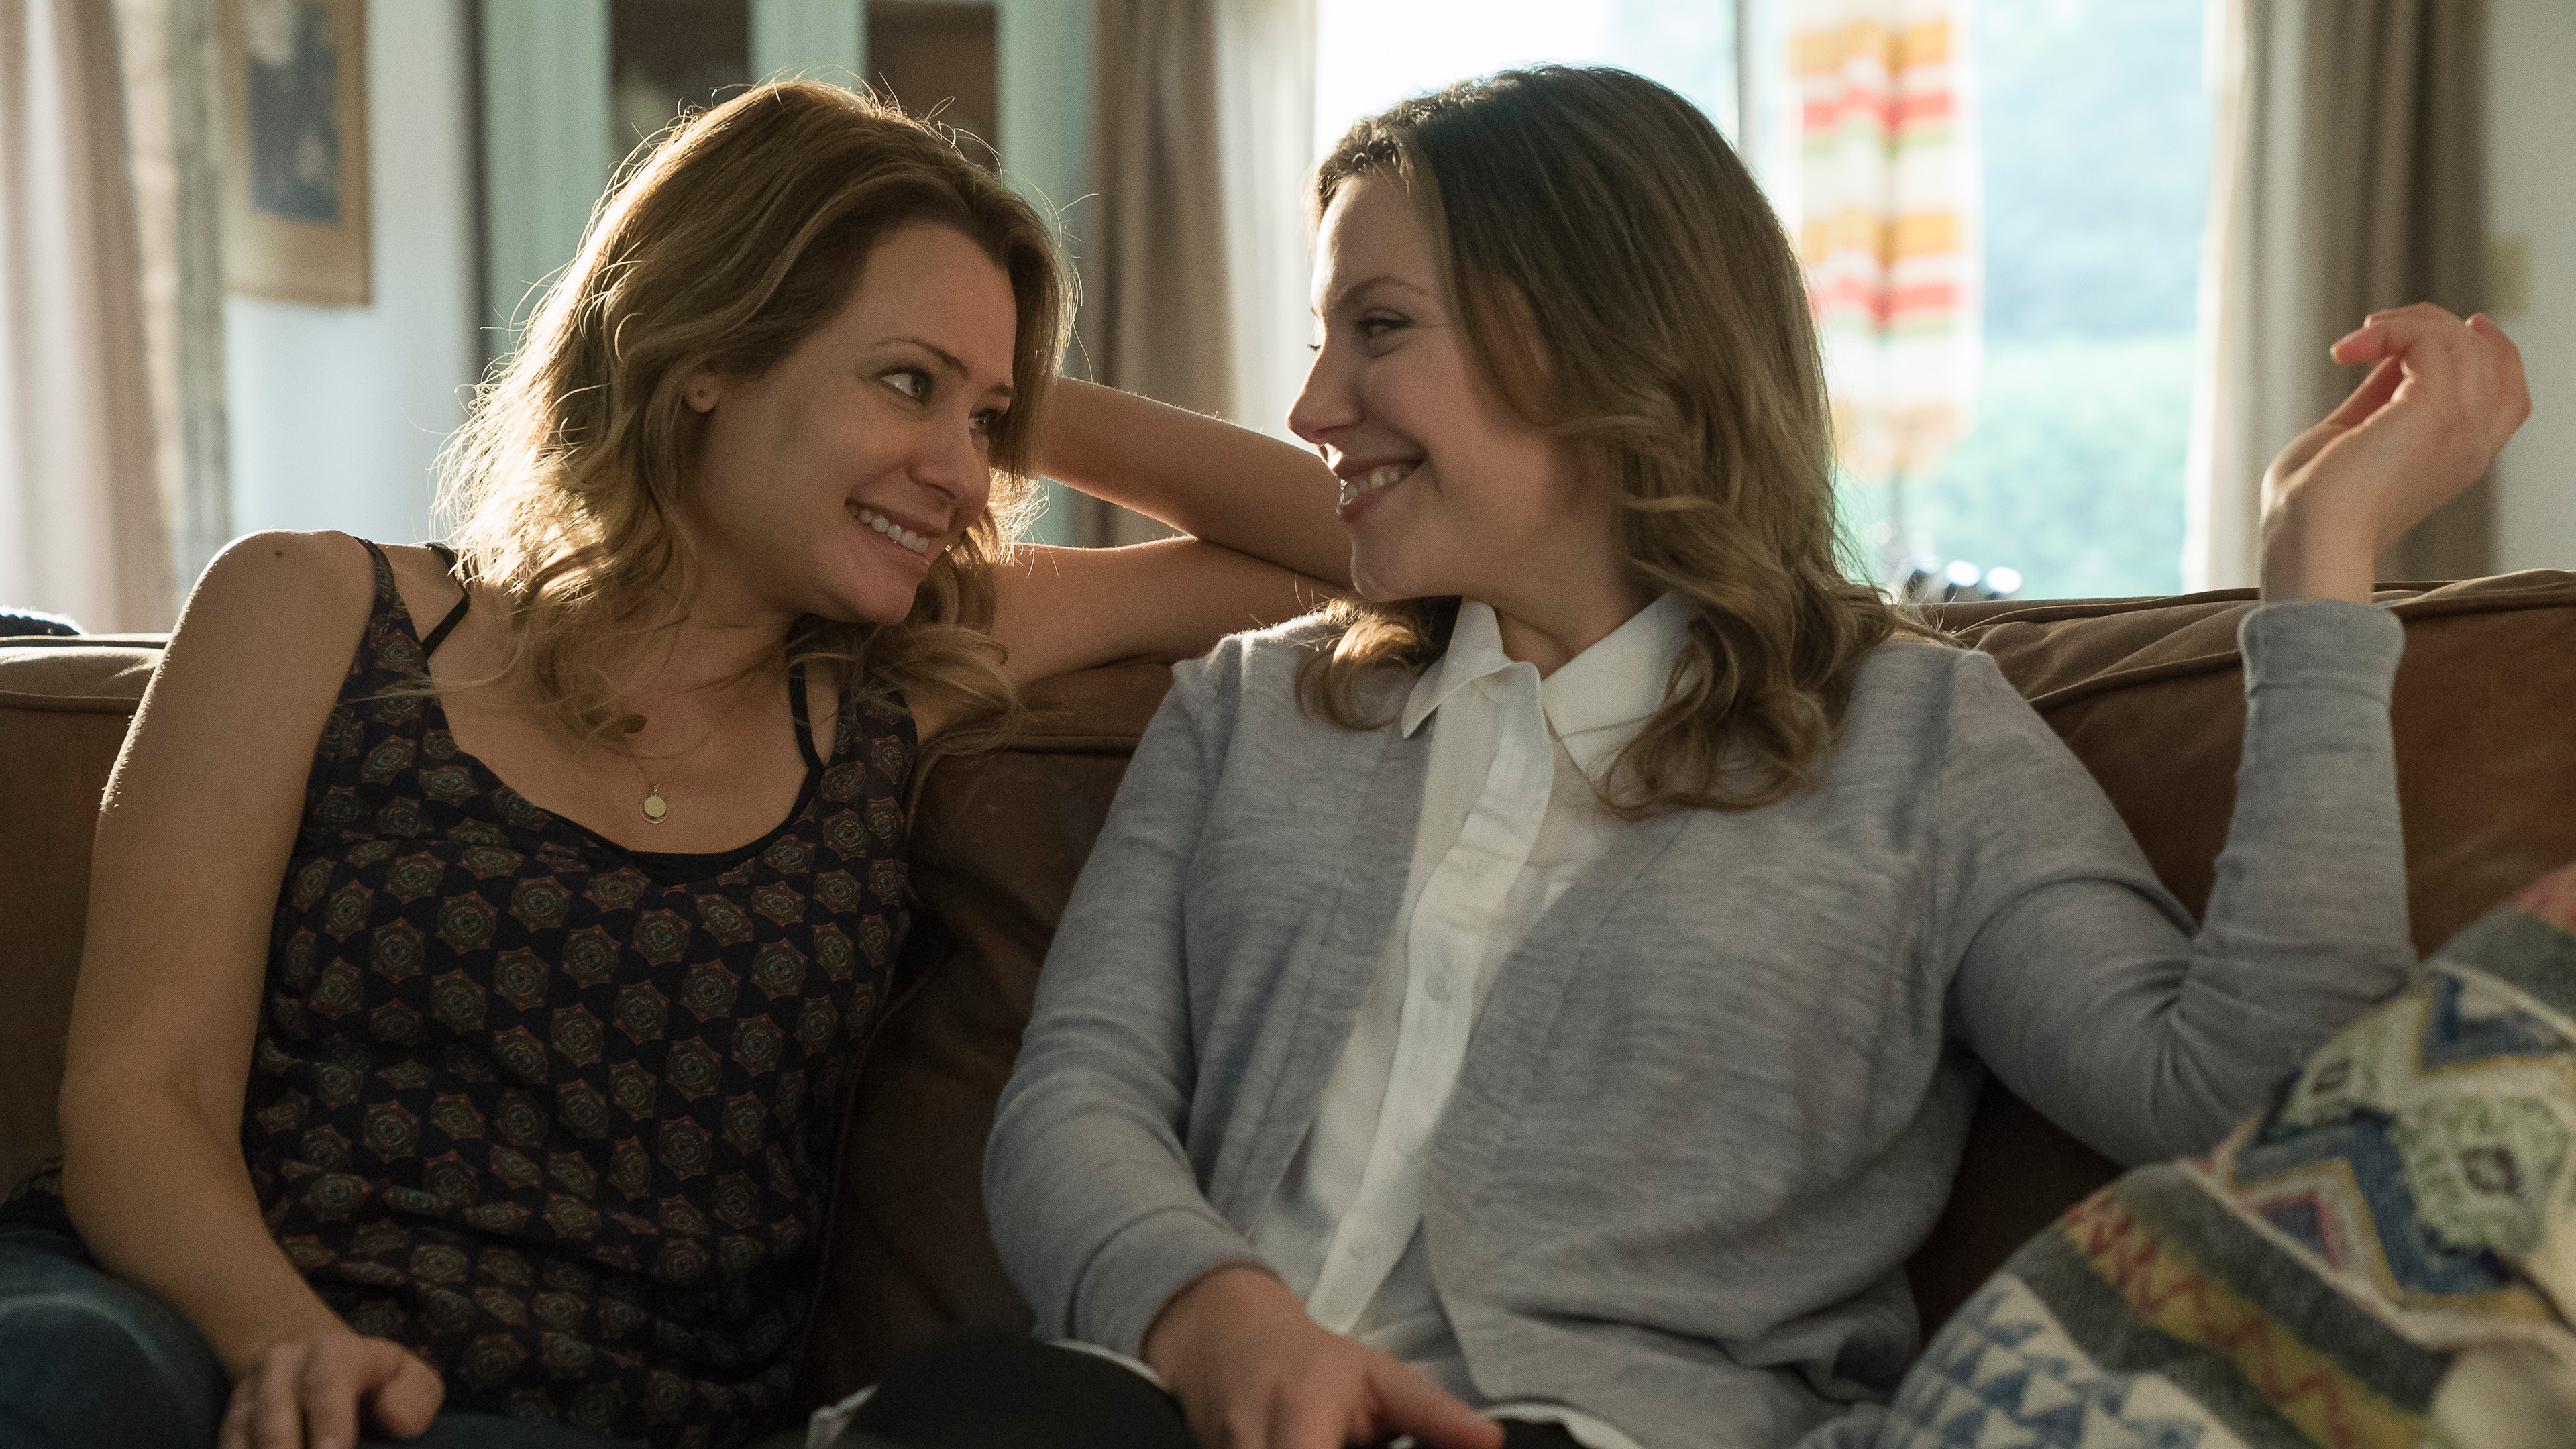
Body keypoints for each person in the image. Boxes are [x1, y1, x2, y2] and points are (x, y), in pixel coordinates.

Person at [877, 66, 2533, 1449]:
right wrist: (1214, 1311)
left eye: (1377, 327)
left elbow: (2254, 1101)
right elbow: (1074, 1103)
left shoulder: (1919, 746)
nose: (1314, 404)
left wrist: (2320, 564)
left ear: (1597, 344)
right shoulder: (1248, 710)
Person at [0, 83, 1346, 1449]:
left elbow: (1359, 546)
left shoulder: (904, 672)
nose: (964, 471)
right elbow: (140, 1097)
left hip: (594, 1419)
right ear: (707, 352)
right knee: (60, 1376)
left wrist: (1008, 394)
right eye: (906, 384)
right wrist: (289, 1345)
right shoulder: (308, 607)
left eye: (986, 420)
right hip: (194, 1346)